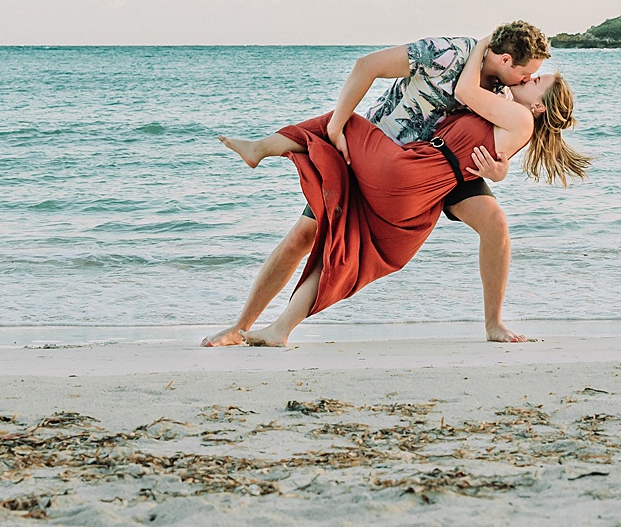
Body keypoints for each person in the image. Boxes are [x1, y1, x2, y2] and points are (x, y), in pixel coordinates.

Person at [215, 36, 588, 346]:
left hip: (411, 171)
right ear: (508, 59)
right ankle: (266, 328)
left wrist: (500, 169)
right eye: (528, 73)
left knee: (493, 222)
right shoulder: (454, 55)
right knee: (333, 245)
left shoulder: (504, 99)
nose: (526, 78)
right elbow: (369, 66)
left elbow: (472, 102)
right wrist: (502, 165)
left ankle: (260, 148)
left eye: (534, 79)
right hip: (406, 163)